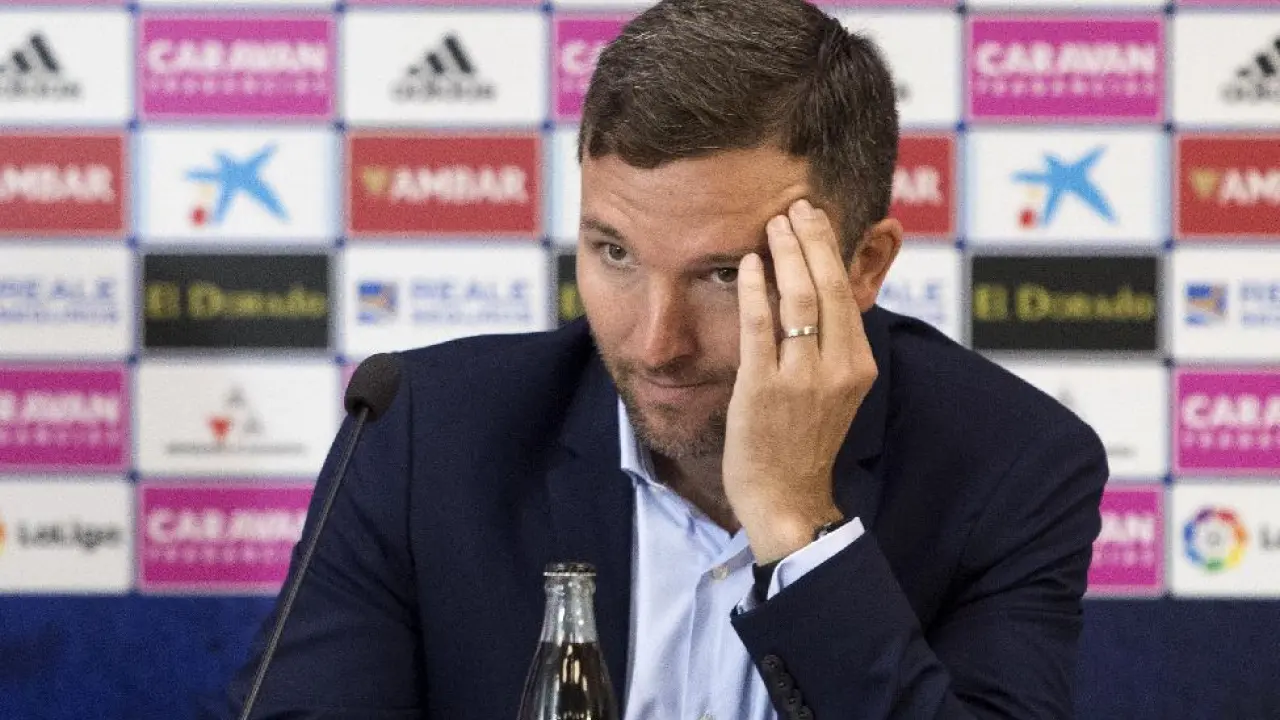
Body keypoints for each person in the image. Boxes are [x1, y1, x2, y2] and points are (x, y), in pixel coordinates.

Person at [228, 0, 1108, 717]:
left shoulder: (1010, 465)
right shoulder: (420, 432)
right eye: (615, 254)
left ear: (863, 265)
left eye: (725, 275)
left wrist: (798, 525)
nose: (656, 344)